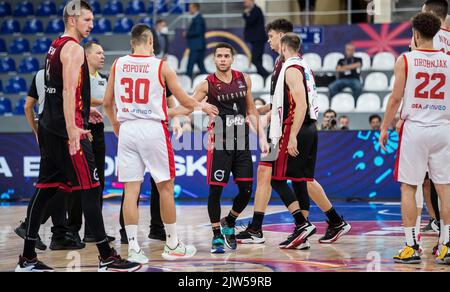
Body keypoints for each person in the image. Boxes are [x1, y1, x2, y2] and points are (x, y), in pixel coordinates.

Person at [15, 0, 140, 272]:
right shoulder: (73, 49)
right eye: (87, 20)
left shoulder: (55, 45)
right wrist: (74, 129)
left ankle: (27, 259)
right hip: (67, 132)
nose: (92, 25)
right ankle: (107, 257)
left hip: (50, 127)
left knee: (45, 188)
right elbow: (70, 91)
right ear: (72, 19)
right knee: (91, 190)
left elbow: (55, 90)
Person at [103, 24, 218, 263]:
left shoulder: (117, 64)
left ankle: (133, 247)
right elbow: (185, 99)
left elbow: (106, 103)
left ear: (132, 42)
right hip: (152, 129)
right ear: (150, 42)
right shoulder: (161, 65)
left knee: (131, 191)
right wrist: (202, 105)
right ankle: (173, 244)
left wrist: (115, 123)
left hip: (127, 129)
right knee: (165, 186)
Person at [236, 19, 350, 249]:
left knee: (274, 175)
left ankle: (288, 226)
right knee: (299, 180)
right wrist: (261, 111)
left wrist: (291, 133)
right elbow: (280, 102)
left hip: (288, 128)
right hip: (287, 125)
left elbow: (299, 104)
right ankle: (321, 224)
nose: (268, 41)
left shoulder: (289, 65)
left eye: (270, 37)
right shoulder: (291, 63)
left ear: (281, 36)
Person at [170, 42, 269, 254]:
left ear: (233, 59)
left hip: (242, 142)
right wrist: (177, 119)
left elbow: (251, 109)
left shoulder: (244, 79)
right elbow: (188, 104)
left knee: (246, 190)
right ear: (214, 59)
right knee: (215, 190)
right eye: (219, 56)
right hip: (220, 143)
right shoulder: (206, 84)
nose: (223, 59)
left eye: (226, 56)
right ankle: (216, 235)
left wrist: (262, 137)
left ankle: (230, 221)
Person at [379, 12, 450, 265]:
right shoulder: (448, 59)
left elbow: (395, 99)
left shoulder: (406, 59)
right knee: (445, 187)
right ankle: (447, 244)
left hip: (416, 129)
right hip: (443, 127)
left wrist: (385, 127)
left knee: (410, 186)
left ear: (416, 34)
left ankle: (411, 245)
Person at [14, 69, 76, 251]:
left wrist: (36, 131)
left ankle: (59, 233)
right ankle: (29, 226)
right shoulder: (65, 73)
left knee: (57, 184)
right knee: (57, 184)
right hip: (60, 130)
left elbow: (27, 106)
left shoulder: (40, 74)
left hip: (45, 129)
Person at [65, 41, 115, 244]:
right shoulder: (77, 76)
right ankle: (72, 229)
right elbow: (79, 98)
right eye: (98, 53)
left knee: (98, 182)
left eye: (104, 53)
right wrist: (104, 101)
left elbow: (107, 102)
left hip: (98, 129)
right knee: (79, 182)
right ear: (86, 56)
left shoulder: (103, 79)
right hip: (80, 128)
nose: (102, 56)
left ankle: (93, 231)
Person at [243, 0, 270, 78]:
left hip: (258, 39)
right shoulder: (250, 10)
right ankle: (262, 76)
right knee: (258, 59)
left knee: (255, 59)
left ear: (251, 1)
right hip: (255, 40)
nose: (244, 3)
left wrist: (247, 13)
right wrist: (246, 13)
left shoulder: (256, 10)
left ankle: (266, 75)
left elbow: (250, 20)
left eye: (246, 1)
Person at [184, 3, 207, 78]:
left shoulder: (198, 18)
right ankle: (211, 83)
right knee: (201, 66)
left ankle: (186, 82)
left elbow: (198, 31)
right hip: (198, 46)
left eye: (190, 8)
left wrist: (187, 34)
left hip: (196, 46)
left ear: (195, 8)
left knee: (190, 66)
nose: (189, 9)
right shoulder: (197, 18)